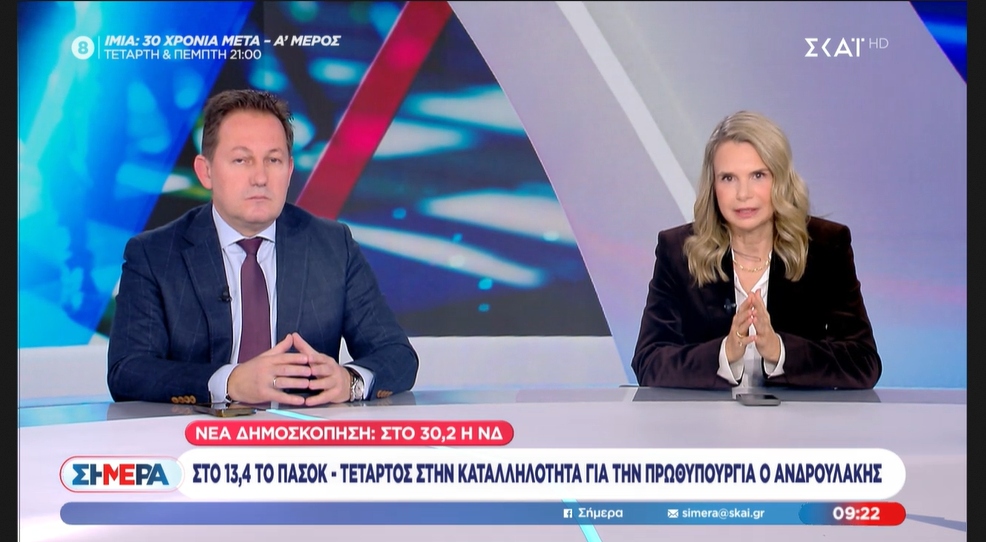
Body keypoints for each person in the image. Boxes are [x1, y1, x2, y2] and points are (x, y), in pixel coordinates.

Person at [107, 89, 418, 406]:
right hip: (193, 434)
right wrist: (229, 382)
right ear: (206, 171)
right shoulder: (154, 255)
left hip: (302, 431)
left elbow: (397, 356)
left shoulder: (333, 246)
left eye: (273, 160)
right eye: (241, 160)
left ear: (290, 170)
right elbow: (128, 371)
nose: (260, 177)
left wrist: (349, 382)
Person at [631, 111, 881, 390]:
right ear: (713, 186)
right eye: (728, 178)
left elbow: (863, 362)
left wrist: (779, 351)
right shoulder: (678, 251)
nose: (743, 194)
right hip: (704, 417)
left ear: (781, 180)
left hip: (801, 417)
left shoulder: (826, 247)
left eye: (758, 175)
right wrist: (724, 353)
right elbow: (648, 361)